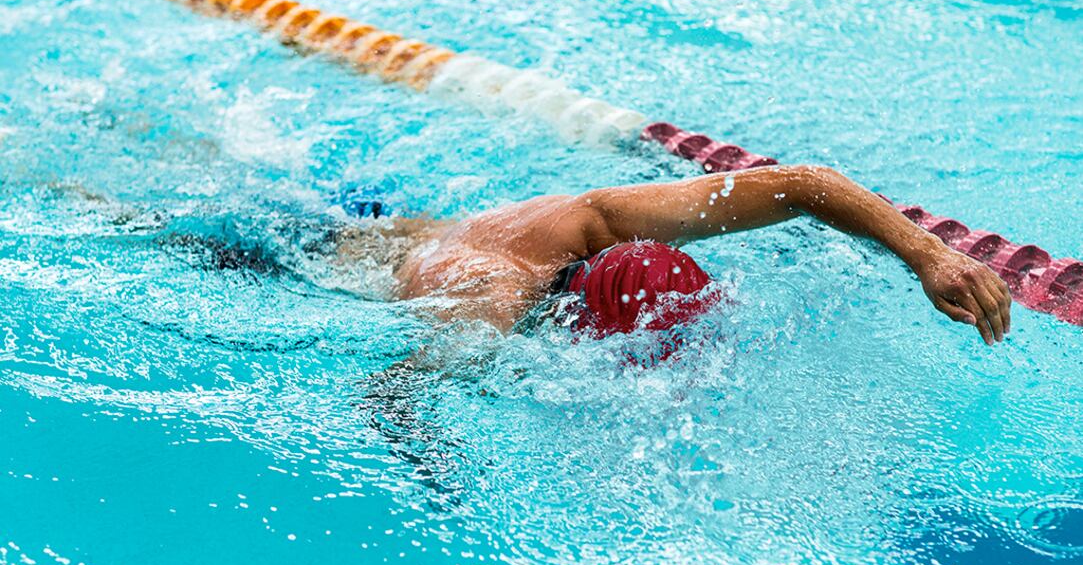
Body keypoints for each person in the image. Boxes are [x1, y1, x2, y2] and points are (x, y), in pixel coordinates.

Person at [340, 164, 1011, 345]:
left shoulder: (598, 219)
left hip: (430, 222)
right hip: (346, 255)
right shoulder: (493, 292)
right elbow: (397, 392)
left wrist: (930, 256)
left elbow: (799, 184)